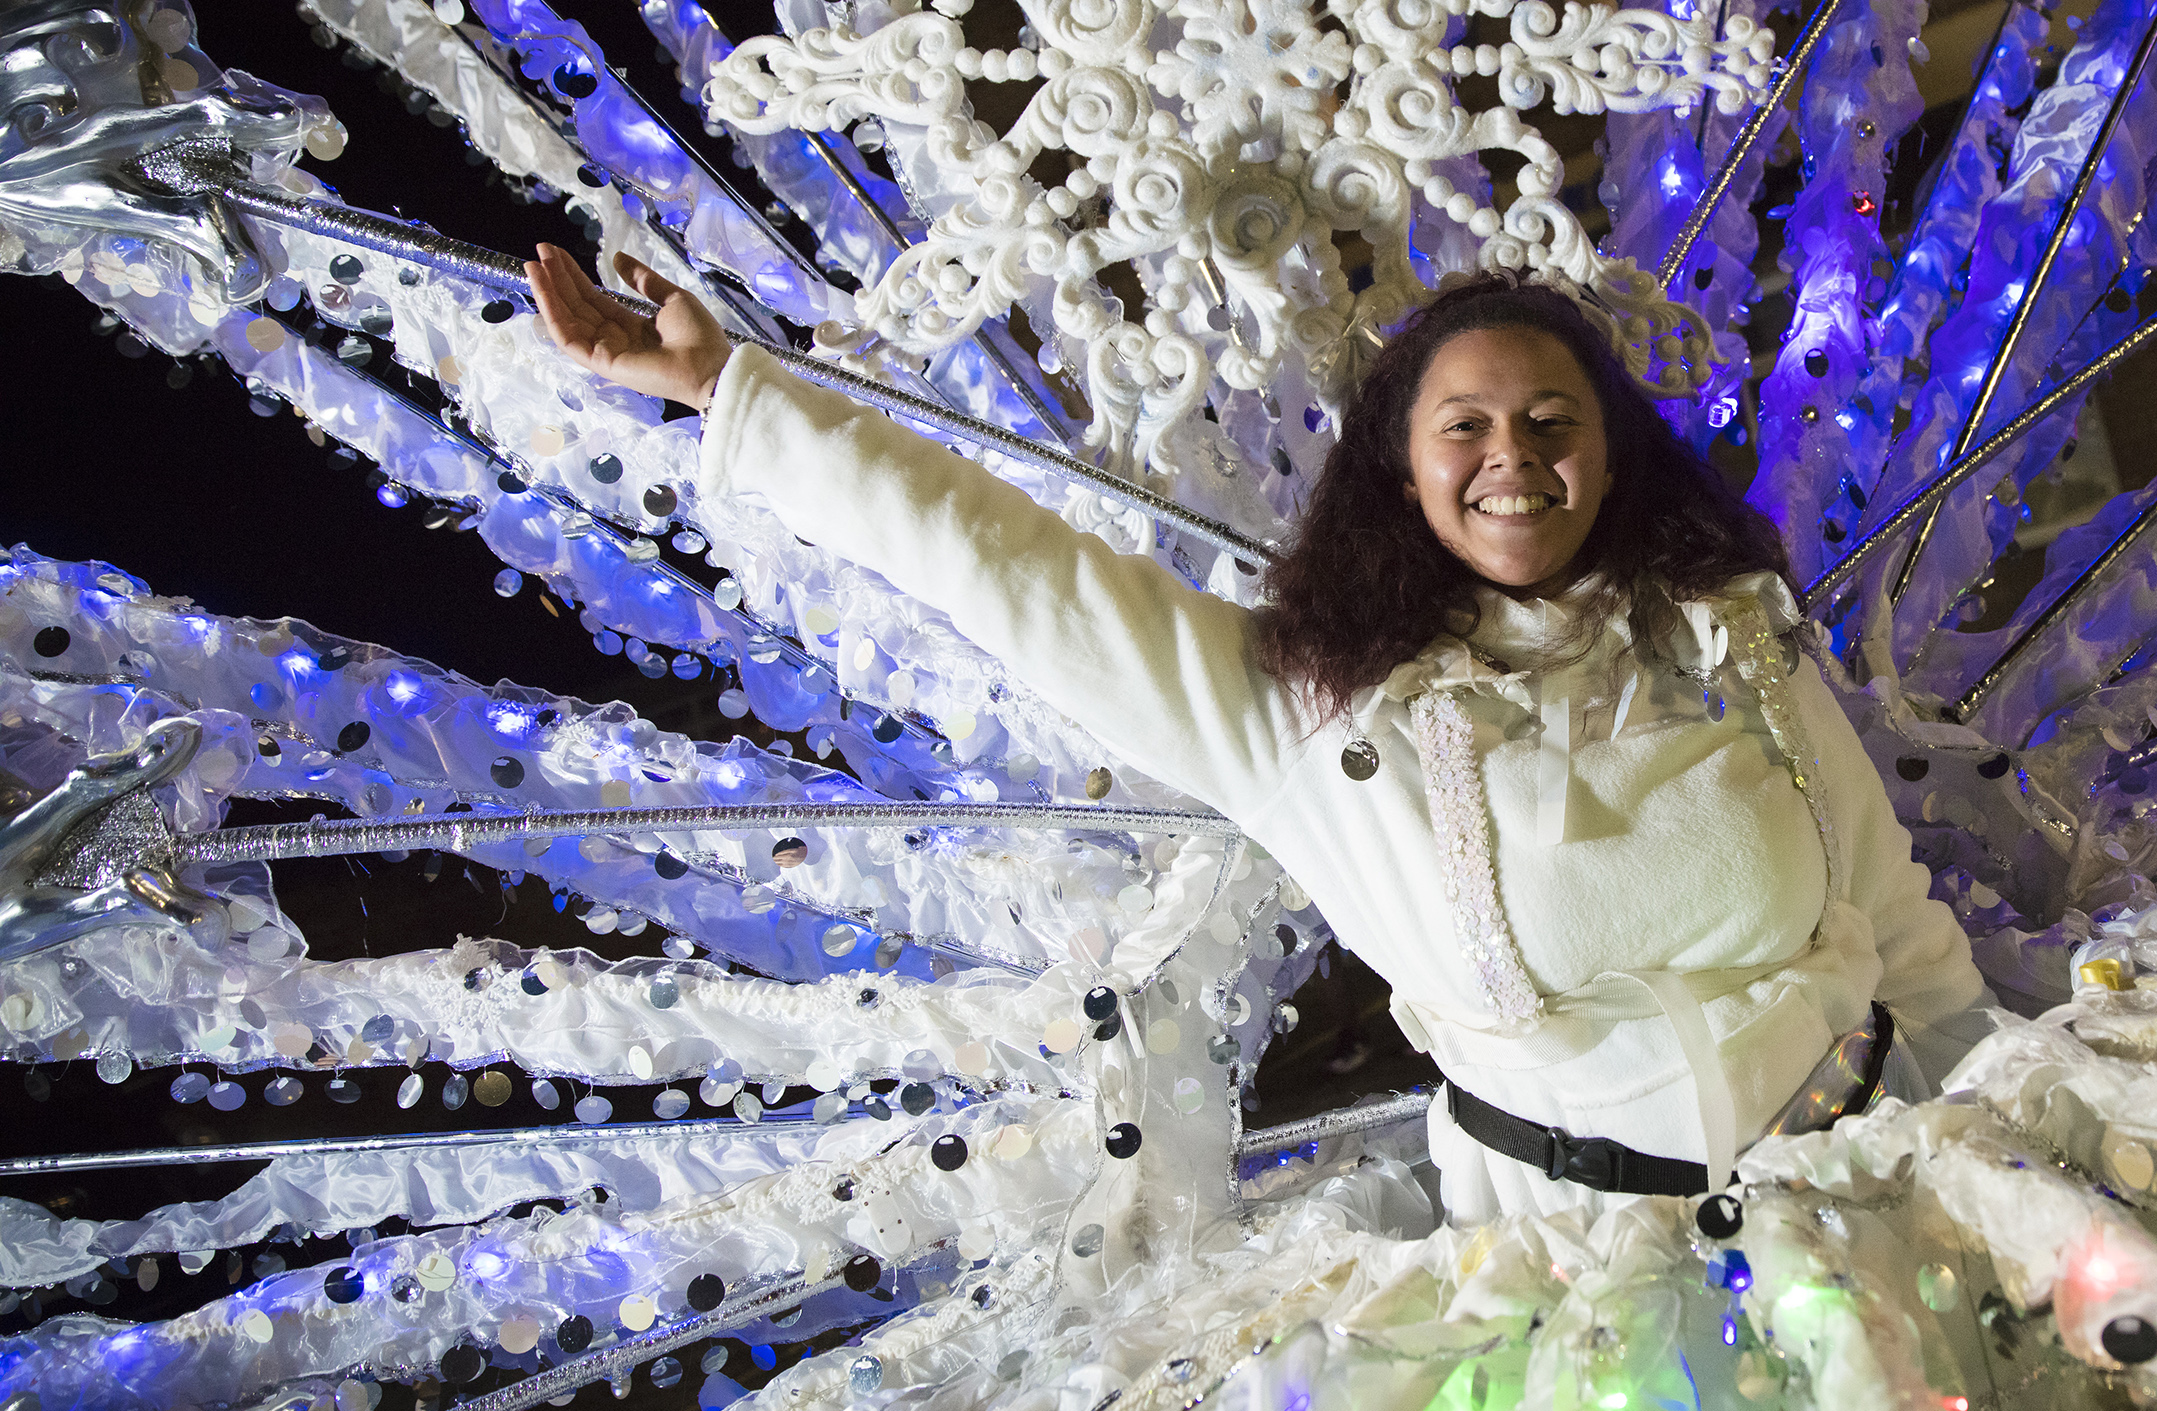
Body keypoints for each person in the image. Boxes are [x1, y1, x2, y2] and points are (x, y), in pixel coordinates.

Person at [524, 243, 1995, 1223]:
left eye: (1553, 422)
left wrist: (2008, 1137)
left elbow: (1896, 921)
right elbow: (1011, 570)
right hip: (1585, 1290)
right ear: (1404, 475)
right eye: (1465, 429)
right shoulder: (1312, 712)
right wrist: (734, 393)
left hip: (1874, 1203)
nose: (1514, 461)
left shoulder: (1731, 628)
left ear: (1610, 453)